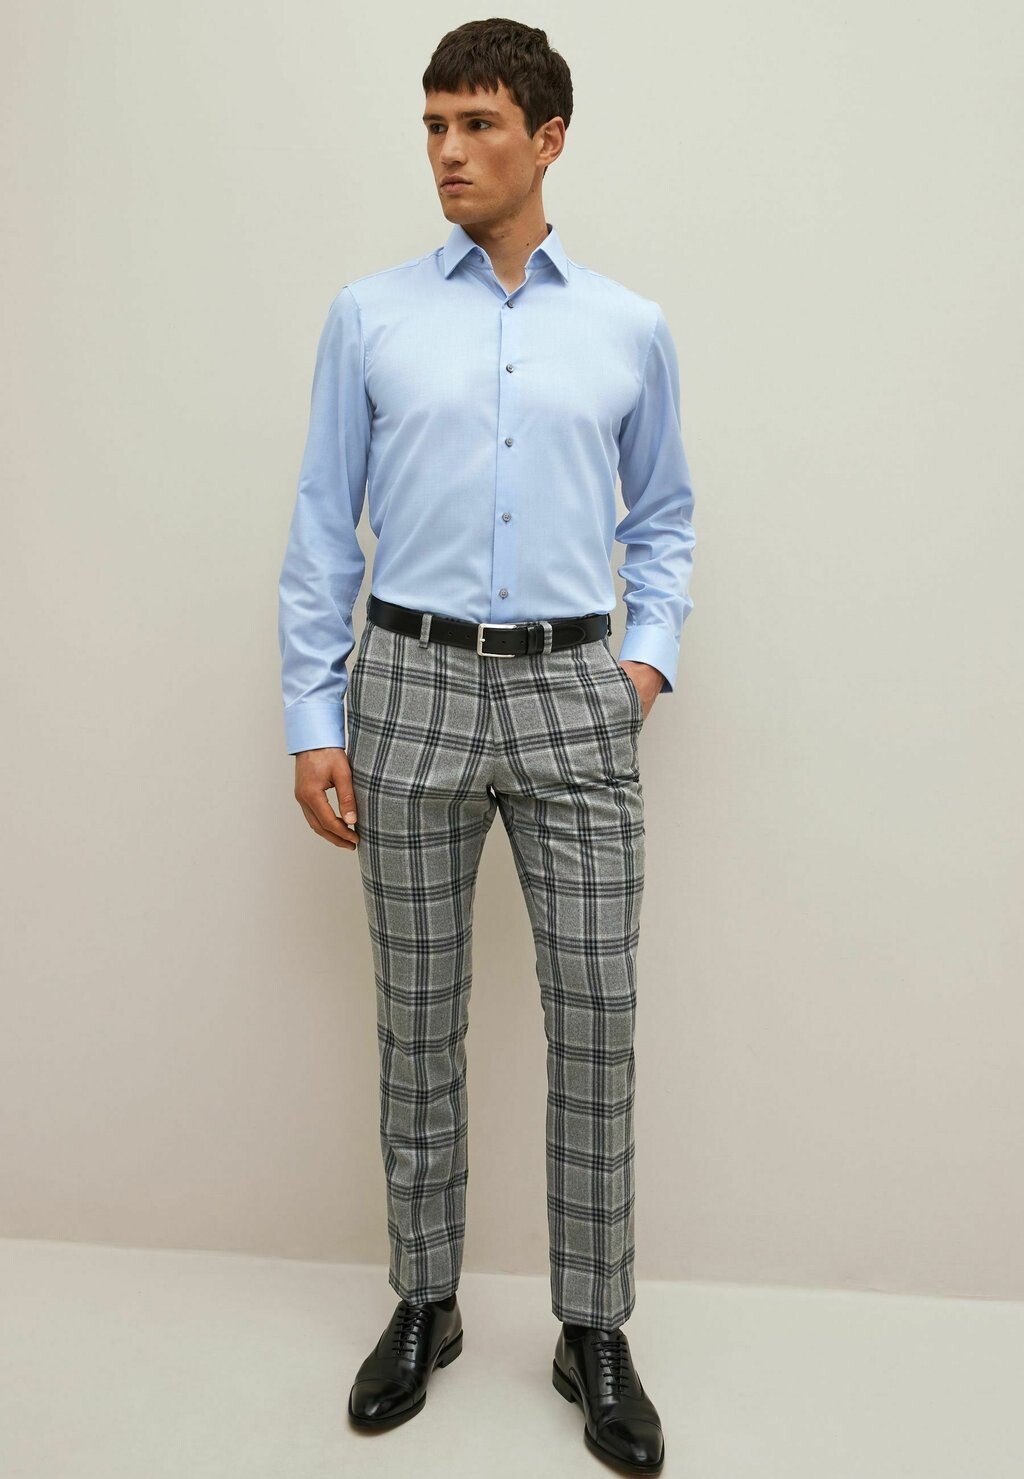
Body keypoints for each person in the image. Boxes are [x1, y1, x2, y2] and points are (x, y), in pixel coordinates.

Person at [277, 18, 695, 1475]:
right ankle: (426, 1301)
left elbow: (666, 517)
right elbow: (324, 523)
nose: (448, 154)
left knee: (597, 1015)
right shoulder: (371, 317)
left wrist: (642, 667)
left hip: (577, 692)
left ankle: (594, 1327)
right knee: (417, 1014)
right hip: (408, 688)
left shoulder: (628, 326)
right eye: (434, 127)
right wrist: (313, 716)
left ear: (548, 138)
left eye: (477, 126)